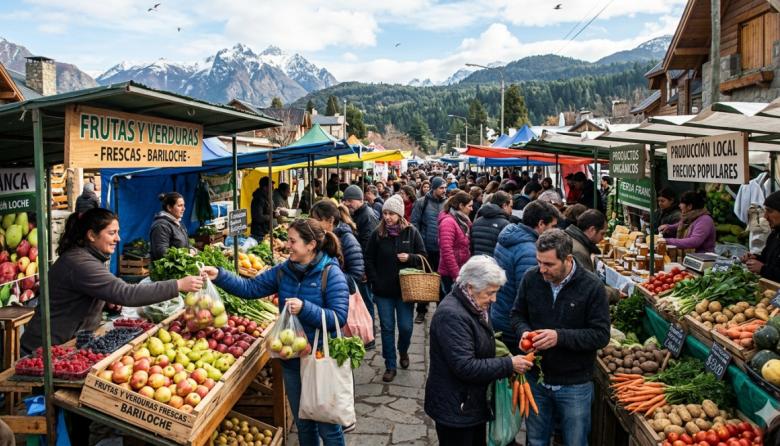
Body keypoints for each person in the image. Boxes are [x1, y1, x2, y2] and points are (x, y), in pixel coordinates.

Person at [203, 219, 349, 446]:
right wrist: (219, 275)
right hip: (291, 359)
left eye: (293, 241)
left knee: (327, 426)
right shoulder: (284, 271)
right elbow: (250, 288)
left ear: (311, 245)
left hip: (319, 359)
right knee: (303, 423)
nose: (288, 245)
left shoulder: (331, 274)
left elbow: (338, 318)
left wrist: (305, 308)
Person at [21, 208, 203, 354]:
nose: (118, 238)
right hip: (44, 350)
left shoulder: (88, 257)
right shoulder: (80, 262)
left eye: (118, 232)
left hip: (65, 344)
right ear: (91, 235)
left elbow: (81, 293)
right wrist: (178, 284)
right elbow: (126, 294)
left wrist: (104, 301)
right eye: (112, 233)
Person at [511, 229, 611, 446]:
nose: (542, 269)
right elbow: (517, 315)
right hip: (536, 381)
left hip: (575, 384)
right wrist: (523, 332)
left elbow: (601, 335)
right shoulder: (531, 278)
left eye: (549, 264)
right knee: (536, 440)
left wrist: (560, 337)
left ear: (568, 259)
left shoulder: (592, 286)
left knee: (575, 441)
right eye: (539, 262)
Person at [425, 256, 533, 446]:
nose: (494, 299)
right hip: (456, 409)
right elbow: (465, 366)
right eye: (490, 293)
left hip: (470, 404)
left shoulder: (474, 305)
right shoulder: (452, 315)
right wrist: (509, 364)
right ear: (470, 287)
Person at [365, 195, 427, 382]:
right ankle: (390, 365)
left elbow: (423, 256)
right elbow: (368, 258)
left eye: (391, 213)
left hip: (405, 290)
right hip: (383, 291)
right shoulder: (377, 234)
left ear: (400, 214)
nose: (387, 217)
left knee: (406, 327)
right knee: (387, 328)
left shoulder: (411, 232)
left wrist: (410, 258)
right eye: (385, 213)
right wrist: (375, 280)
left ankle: (403, 350)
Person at [493, 201, 560, 354]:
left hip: (500, 311)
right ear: (541, 224)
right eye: (553, 226)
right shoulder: (530, 251)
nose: (555, 231)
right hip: (513, 323)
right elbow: (529, 296)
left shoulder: (509, 237)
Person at [410, 176, 447, 324]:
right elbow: (414, 224)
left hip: (442, 249)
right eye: (441, 188)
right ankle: (421, 311)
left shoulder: (447, 203)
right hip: (426, 249)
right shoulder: (422, 202)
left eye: (445, 188)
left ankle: (441, 312)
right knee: (425, 281)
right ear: (434, 188)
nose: (444, 190)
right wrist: (419, 245)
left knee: (441, 282)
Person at [565, 210, 621, 303]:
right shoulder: (579, 252)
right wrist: (615, 294)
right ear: (592, 230)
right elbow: (588, 288)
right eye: (602, 233)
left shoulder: (573, 240)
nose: (603, 238)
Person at [438, 191, 473, 295]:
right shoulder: (448, 222)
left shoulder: (462, 220)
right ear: (461, 205)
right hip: (450, 274)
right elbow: (446, 250)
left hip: (460, 270)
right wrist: (456, 275)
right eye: (469, 206)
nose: (472, 209)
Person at [744, 191, 780, 282]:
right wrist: (754, 258)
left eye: (770, 211)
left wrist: (763, 269)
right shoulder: (774, 234)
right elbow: (767, 259)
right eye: (765, 211)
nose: (765, 216)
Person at [470, 191, 514, 257]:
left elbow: (471, 247)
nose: (511, 210)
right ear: (504, 205)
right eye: (511, 207)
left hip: (477, 261)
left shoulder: (476, 222)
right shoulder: (505, 224)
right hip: (494, 262)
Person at [150, 192, 191, 261]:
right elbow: (161, 252)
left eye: (184, 205)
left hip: (181, 265)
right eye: (180, 205)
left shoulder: (178, 223)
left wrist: (193, 250)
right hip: (167, 267)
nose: (184, 208)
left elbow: (185, 245)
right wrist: (186, 254)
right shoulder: (161, 226)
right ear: (169, 207)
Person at [342, 185, 379, 252]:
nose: (346, 203)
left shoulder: (368, 216)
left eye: (350, 200)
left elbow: (368, 245)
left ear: (361, 201)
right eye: (345, 200)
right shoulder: (355, 213)